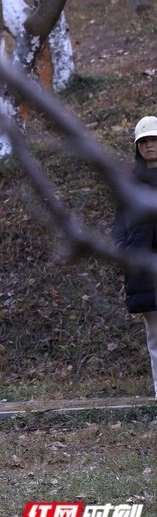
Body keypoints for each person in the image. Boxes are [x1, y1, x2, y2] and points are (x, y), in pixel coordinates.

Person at [114, 115, 157, 400]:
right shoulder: (129, 183)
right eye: (144, 142)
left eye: (154, 140)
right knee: (155, 337)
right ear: (137, 147)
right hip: (143, 269)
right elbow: (119, 226)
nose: (150, 146)